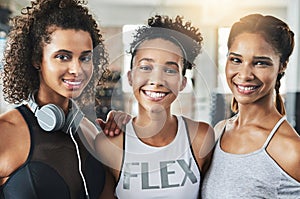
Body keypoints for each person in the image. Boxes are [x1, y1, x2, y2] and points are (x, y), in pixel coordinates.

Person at [0, 0, 117, 198]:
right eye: (63, 57)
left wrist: (124, 133)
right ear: (37, 59)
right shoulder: (5, 132)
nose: (77, 70)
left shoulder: (90, 131)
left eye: (85, 58)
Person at [94, 15, 215, 199]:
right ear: (130, 77)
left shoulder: (200, 137)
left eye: (170, 70)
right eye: (145, 67)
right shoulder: (109, 144)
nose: (157, 81)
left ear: (182, 83)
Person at [201, 14, 300, 198]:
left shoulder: (292, 150)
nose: (245, 74)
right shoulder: (220, 130)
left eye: (260, 63)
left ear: (282, 66)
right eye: (236, 60)